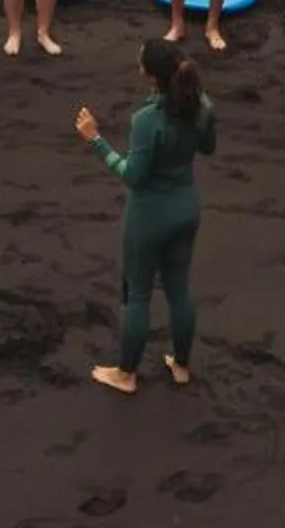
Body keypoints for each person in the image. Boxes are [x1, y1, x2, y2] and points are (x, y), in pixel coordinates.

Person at [76, 38, 217, 394]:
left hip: (149, 216)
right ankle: (182, 366)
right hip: (186, 208)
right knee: (179, 289)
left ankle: (126, 374)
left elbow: (133, 176)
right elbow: (208, 146)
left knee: (137, 295)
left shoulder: (146, 120)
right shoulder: (202, 106)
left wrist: (96, 140)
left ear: (150, 76)